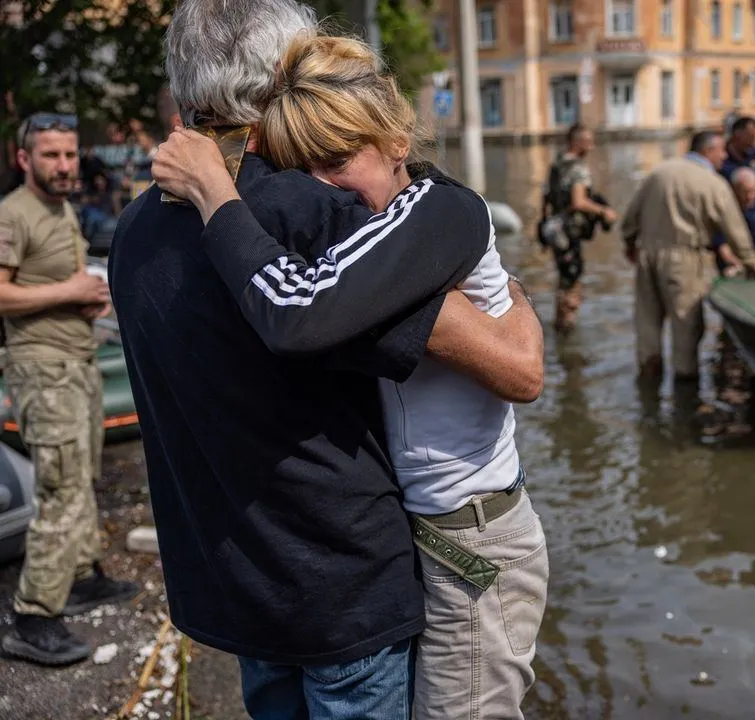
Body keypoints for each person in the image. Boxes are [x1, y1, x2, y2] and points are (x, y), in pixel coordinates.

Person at [109, 1, 543, 717]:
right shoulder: (312, 213)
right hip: (342, 589)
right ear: (286, 76)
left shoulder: (136, 227)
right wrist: (519, 309)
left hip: (236, 584)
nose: (329, 176)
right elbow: (513, 363)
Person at [0, 112, 137, 667]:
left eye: (70, 154)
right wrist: (69, 290)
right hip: (43, 370)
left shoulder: (61, 209)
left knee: (81, 477)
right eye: (51, 155)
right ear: (24, 159)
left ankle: (78, 578)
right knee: (59, 488)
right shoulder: (13, 214)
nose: (64, 165)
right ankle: (33, 618)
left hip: (76, 364)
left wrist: (85, 298)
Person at [621, 130, 755, 381]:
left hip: (647, 255)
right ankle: (684, 391)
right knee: (686, 327)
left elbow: (629, 219)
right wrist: (752, 263)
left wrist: (630, 243)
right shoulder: (713, 183)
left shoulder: (659, 172)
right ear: (708, 151)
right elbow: (736, 230)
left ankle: (649, 381)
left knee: (647, 324)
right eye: (721, 151)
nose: (724, 156)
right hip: (685, 258)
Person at [542, 123, 616, 332]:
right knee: (572, 284)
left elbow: (545, 198)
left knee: (563, 280)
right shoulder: (578, 168)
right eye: (589, 142)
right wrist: (604, 212)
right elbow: (579, 202)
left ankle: (559, 326)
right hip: (569, 233)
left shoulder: (557, 164)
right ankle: (568, 331)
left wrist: (543, 224)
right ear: (577, 142)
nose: (592, 147)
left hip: (555, 231)